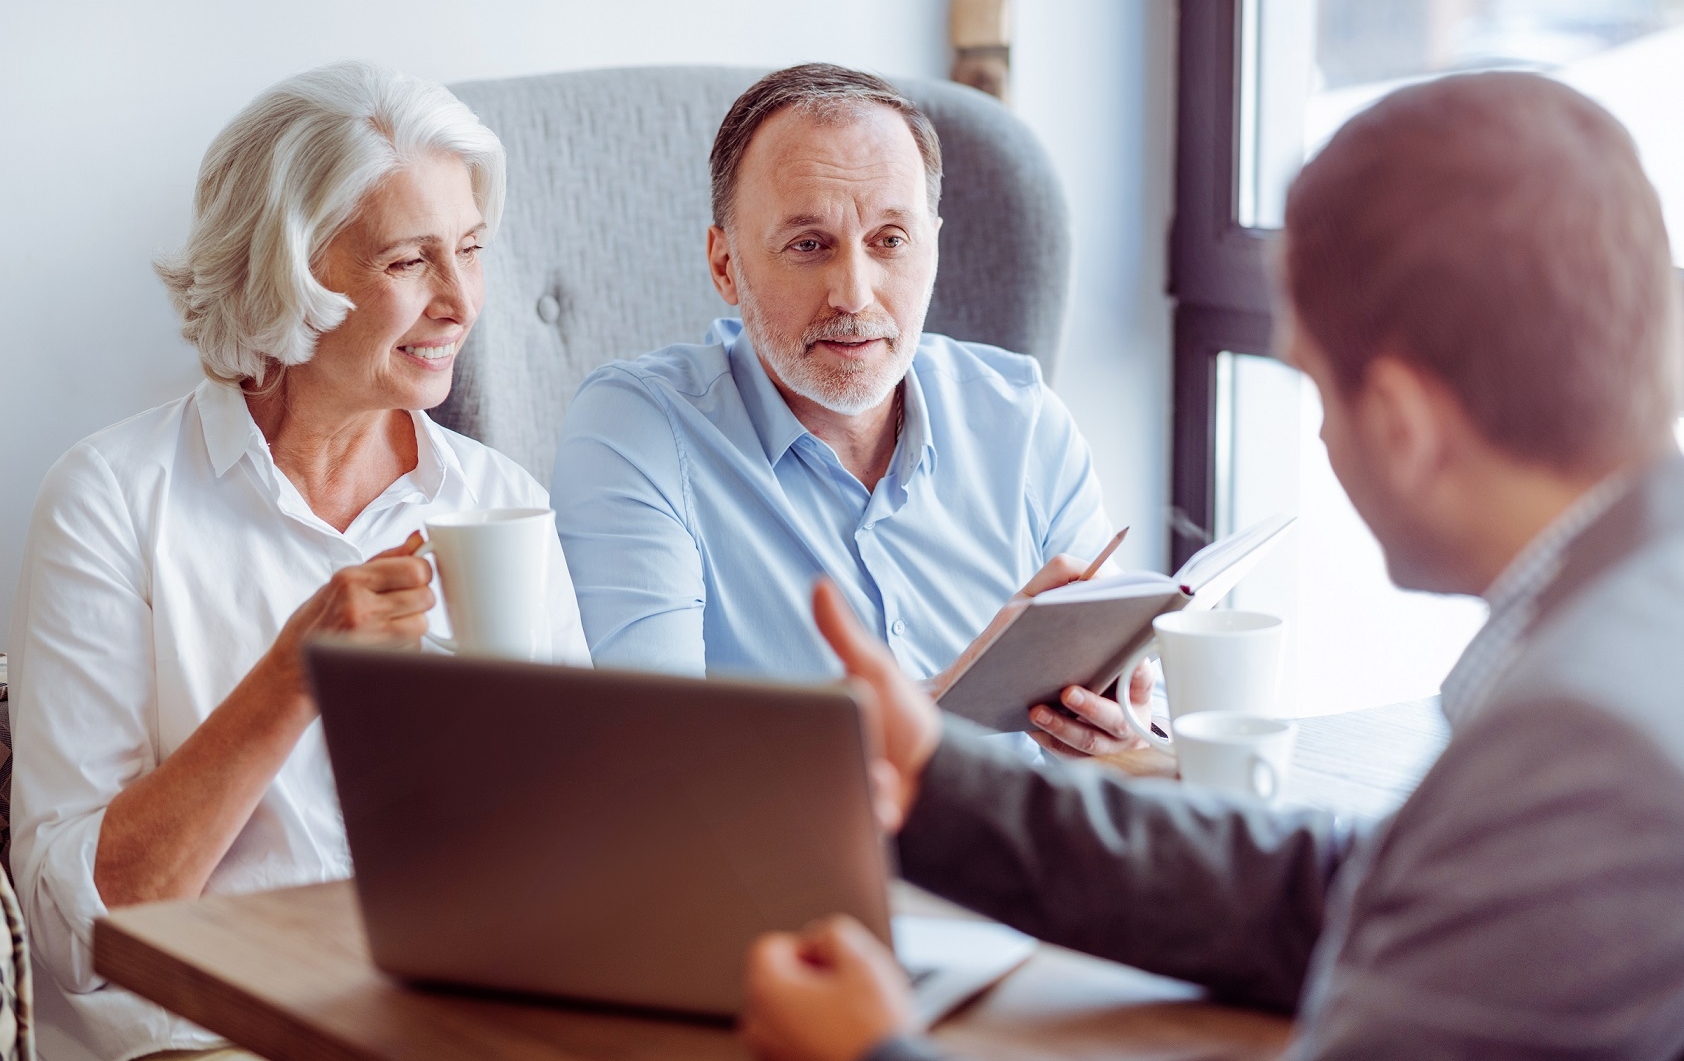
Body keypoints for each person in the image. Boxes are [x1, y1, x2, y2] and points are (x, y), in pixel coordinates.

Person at [738, 72, 1684, 1060]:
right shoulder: (1634, 622)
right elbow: (1350, 889)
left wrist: (872, 1054)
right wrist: (938, 777)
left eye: (1314, 386)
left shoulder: (1585, 741)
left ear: (1403, 425)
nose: (1318, 433)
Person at [8, 62, 589, 1060]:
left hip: (450, 1015)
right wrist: (293, 672)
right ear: (291, 273)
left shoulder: (502, 503)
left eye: (472, 250)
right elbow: (79, 932)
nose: (460, 303)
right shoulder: (111, 499)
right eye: (410, 261)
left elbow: (585, 842)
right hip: (207, 1033)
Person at [551, 64, 1150, 758]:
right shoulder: (636, 430)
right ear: (724, 265)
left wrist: (1114, 720)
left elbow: (1127, 732)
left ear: (932, 248)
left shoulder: (1023, 419)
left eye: (890, 240)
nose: (854, 295)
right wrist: (965, 693)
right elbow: (659, 758)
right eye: (809, 245)